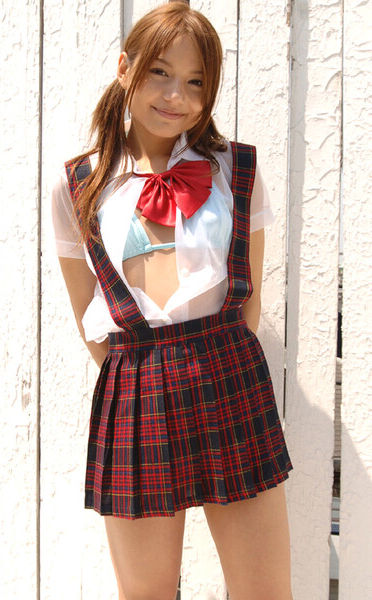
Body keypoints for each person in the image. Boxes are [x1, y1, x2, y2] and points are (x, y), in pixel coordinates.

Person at [51, 2, 293, 599]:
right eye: (160, 73)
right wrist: (138, 376)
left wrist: (215, 360)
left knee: (265, 591)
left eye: (195, 82)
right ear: (125, 68)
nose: (176, 96)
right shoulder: (78, 184)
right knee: (147, 594)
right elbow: (86, 312)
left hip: (228, 372)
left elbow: (250, 297)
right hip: (135, 384)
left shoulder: (235, 168)